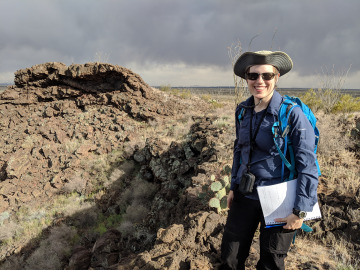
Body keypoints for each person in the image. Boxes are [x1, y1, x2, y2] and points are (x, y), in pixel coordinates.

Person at [220, 50, 319, 270]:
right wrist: (234, 186)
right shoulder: (243, 110)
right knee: (229, 259)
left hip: (280, 200)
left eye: (267, 75)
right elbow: (240, 150)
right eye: (253, 76)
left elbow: (308, 166)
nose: (259, 81)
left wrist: (300, 210)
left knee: (270, 264)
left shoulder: (292, 114)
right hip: (246, 196)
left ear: (277, 77)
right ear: (246, 78)